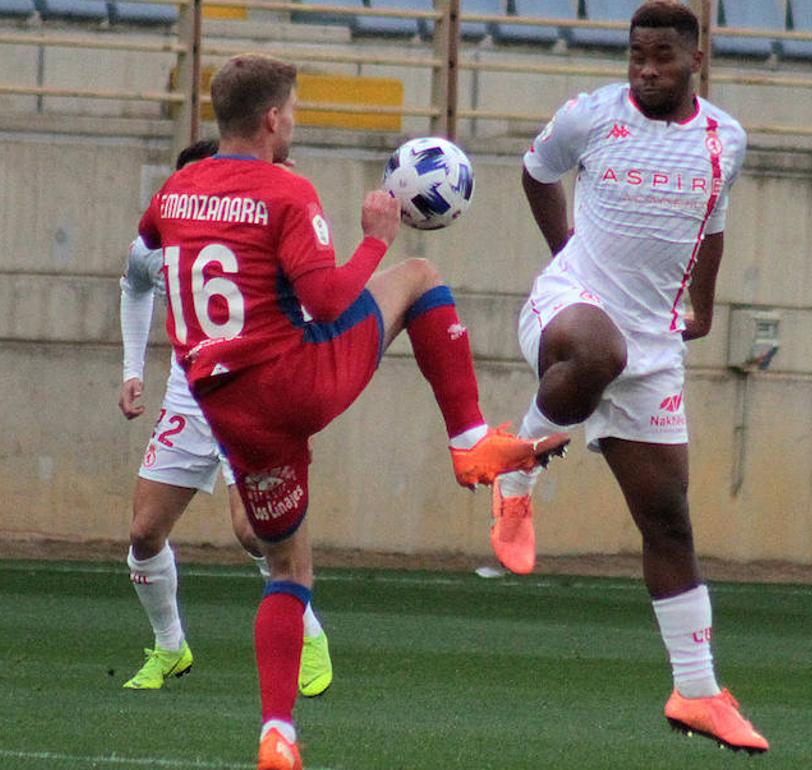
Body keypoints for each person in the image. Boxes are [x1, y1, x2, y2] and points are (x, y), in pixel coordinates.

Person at [137, 54, 568, 770]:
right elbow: (333, 301)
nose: (294, 123)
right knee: (419, 278)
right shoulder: (287, 191)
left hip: (229, 410)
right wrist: (375, 234)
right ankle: (469, 442)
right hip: (296, 381)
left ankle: (279, 732)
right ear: (274, 118)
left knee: (286, 570)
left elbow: (153, 239)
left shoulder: (177, 188)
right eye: (294, 112)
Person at [489, 1, 767, 754]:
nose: (646, 68)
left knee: (669, 522)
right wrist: (565, 258)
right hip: (570, 312)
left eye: (662, 58)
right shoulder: (591, 116)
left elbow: (712, 219)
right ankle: (517, 468)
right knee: (598, 351)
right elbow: (536, 172)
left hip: (654, 347)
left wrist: (702, 304)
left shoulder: (724, 140)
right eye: (637, 55)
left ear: (695, 61)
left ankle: (699, 692)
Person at [119, 140, 333, 697]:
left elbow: (311, 299)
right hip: (189, 400)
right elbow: (133, 284)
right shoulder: (158, 239)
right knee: (144, 532)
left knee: (252, 531)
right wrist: (131, 369)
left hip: (252, 396)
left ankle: (307, 632)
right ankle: (170, 647)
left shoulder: (258, 235)